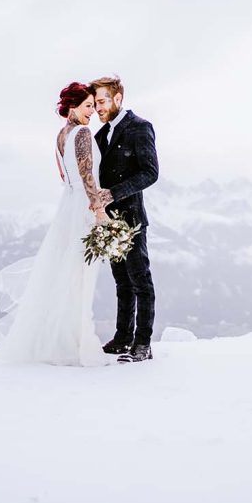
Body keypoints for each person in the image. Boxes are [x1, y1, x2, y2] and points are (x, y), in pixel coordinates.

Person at [0, 82, 114, 366]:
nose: (92, 112)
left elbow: (64, 175)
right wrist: (97, 207)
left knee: (65, 273)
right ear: (73, 106)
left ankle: (59, 339)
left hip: (67, 204)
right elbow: (86, 174)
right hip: (81, 205)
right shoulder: (81, 132)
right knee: (79, 277)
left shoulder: (61, 134)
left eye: (93, 106)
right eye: (88, 106)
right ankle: (73, 343)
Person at [91, 76, 159, 363]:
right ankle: (122, 338)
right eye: (94, 104)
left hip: (132, 219)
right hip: (109, 222)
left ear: (118, 99)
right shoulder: (99, 135)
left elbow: (150, 172)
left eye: (102, 102)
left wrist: (112, 194)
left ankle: (143, 343)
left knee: (140, 280)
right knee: (122, 282)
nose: (97, 109)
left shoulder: (140, 128)